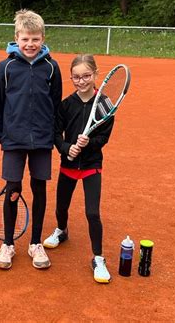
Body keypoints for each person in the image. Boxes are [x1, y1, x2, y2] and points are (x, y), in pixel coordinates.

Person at [0, 9, 62, 269]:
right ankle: (8, 243)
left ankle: (35, 243)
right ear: (16, 38)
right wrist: (2, 136)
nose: (30, 44)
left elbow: (55, 105)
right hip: (13, 141)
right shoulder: (5, 67)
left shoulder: (52, 68)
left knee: (39, 189)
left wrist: (54, 138)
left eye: (35, 39)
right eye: (25, 39)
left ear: (43, 38)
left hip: (42, 141)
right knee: (13, 189)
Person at [43, 54, 114, 283]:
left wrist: (88, 144)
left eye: (86, 76)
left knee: (92, 212)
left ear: (95, 75)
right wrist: (66, 148)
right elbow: (56, 134)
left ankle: (98, 258)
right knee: (61, 207)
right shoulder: (66, 105)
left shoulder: (105, 105)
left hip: (92, 165)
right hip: (69, 164)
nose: (81, 81)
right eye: (76, 77)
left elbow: (103, 138)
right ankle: (62, 230)